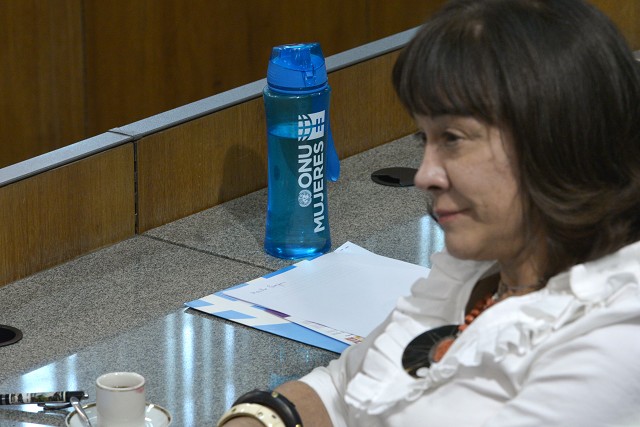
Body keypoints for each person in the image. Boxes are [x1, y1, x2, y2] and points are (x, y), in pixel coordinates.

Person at [217, 0, 640, 425]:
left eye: (452, 139)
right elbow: (341, 389)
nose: (424, 175)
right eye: (425, 139)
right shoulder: (481, 269)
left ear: (557, 139)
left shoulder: (613, 335)